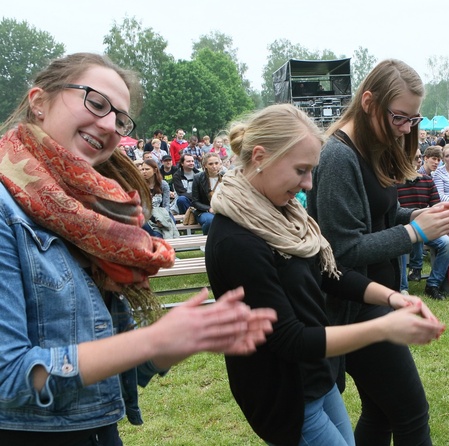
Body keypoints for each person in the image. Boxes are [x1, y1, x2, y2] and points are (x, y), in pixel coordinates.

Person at [0, 52, 277, 445]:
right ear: (39, 101)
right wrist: (151, 340)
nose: (110, 124)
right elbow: (8, 377)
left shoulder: (95, 220)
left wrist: (173, 342)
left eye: (120, 118)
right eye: (96, 103)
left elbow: (111, 372)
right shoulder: (5, 210)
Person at [204, 103, 445, 446]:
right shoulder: (237, 239)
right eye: (301, 170)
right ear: (260, 156)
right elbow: (289, 340)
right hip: (287, 397)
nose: (309, 183)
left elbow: (328, 273)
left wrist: (391, 296)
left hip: (317, 379)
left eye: (311, 170)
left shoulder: (281, 214)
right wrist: (382, 327)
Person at [307, 59, 449, 446]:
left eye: (413, 120)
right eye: (399, 118)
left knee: (381, 413)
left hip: (376, 296)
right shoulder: (337, 156)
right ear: (368, 101)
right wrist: (416, 232)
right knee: (411, 414)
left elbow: (375, 214)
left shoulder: (372, 147)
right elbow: (342, 249)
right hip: (354, 305)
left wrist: (419, 213)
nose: (405, 129)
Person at [397, 148, 449, 300]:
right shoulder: (393, 183)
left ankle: (433, 285)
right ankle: (402, 288)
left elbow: (436, 207)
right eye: (414, 157)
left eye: (419, 157)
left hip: (426, 228)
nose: (419, 161)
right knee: (401, 245)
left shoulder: (427, 180)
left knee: (448, 243)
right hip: (401, 229)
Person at [139, 158, 179, 239]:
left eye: (147, 169)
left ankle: (171, 244)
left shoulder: (163, 184)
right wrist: (155, 218)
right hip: (146, 214)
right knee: (154, 231)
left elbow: (166, 204)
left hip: (161, 212)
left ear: (154, 170)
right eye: (142, 169)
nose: (144, 171)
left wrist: (162, 218)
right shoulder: (139, 185)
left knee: (171, 221)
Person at [191, 152, 222, 235]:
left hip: (223, 210)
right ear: (205, 165)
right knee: (210, 221)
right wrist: (209, 209)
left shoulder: (226, 177)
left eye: (216, 163)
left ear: (220, 163)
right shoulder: (198, 177)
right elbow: (195, 201)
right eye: (211, 164)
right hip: (205, 211)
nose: (214, 166)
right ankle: (207, 244)